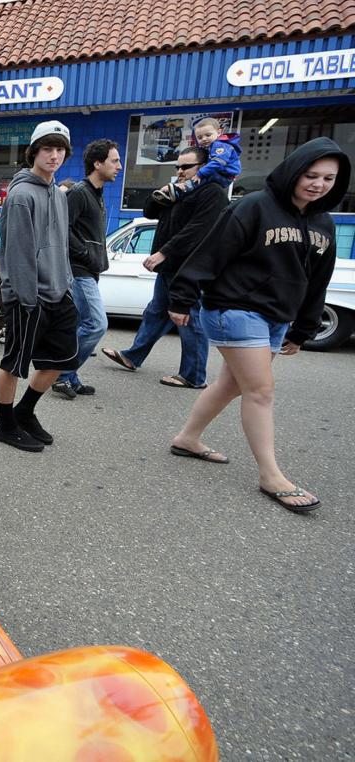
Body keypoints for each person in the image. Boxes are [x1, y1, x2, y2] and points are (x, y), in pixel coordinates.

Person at [165, 138, 349, 513]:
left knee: (231, 385)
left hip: (277, 318)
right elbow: (211, 251)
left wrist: (303, 330)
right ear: (294, 170)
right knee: (261, 390)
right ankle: (271, 475)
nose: (318, 184)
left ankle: (187, 438)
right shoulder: (254, 206)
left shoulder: (324, 223)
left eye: (329, 178)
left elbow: (317, 282)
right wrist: (181, 297)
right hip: (234, 308)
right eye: (311, 174)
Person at [100, 146, 229, 388]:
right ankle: (132, 356)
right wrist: (164, 193)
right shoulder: (181, 190)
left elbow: (198, 231)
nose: (180, 171)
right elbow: (149, 211)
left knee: (188, 320)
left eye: (186, 167)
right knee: (155, 313)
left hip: (190, 269)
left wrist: (163, 252)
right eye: (177, 167)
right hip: (170, 268)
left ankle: (193, 376)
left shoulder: (213, 192)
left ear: (203, 166)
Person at [0, 120, 78, 453]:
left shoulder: (58, 194)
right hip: (27, 298)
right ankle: (5, 423)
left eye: (59, 149)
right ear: (34, 151)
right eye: (48, 148)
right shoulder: (20, 195)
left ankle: (24, 411)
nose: (54, 155)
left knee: (58, 359)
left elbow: (61, 245)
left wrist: (66, 284)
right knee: (14, 364)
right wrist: (26, 299)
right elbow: (17, 253)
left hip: (59, 292)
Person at [51, 139, 122, 399]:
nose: (119, 166)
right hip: (78, 271)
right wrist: (83, 252)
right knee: (96, 324)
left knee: (80, 324)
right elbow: (61, 228)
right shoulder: (80, 192)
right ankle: (61, 374)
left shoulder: (97, 194)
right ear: (97, 163)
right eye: (114, 161)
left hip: (90, 270)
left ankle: (69, 377)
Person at [162, 117, 241, 201]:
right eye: (199, 137)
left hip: (224, 175)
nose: (204, 139)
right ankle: (174, 189)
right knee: (185, 178)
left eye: (208, 135)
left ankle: (181, 191)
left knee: (201, 178)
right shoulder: (210, 147)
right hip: (221, 173)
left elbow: (218, 163)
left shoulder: (221, 145)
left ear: (219, 132)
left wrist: (200, 173)